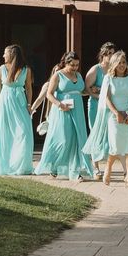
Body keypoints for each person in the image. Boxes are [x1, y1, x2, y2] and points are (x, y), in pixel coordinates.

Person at [83, 51, 128, 189]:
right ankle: (108, 169)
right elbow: (107, 98)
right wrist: (116, 113)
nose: (121, 65)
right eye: (119, 62)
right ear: (114, 64)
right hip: (114, 116)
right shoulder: (109, 78)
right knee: (115, 147)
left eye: (123, 62)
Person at [34, 51, 94, 181]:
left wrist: (91, 91)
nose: (75, 68)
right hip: (62, 111)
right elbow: (49, 94)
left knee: (78, 139)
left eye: (77, 65)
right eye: (72, 65)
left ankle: (75, 170)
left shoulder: (78, 75)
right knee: (64, 139)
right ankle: (54, 166)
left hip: (77, 109)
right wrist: (59, 104)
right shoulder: (58, 75)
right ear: (66, 63)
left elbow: (80, 91)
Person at [0, 44, 34, 176]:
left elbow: (29, 88)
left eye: (5, 53)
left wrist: (29, 105)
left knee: (24, 133)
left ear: (12, 55)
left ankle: (21, 166)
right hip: (5, 102)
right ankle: (6, 166)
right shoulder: (2, 68)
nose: (3, 55)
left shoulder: (26, 69)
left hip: (20, 103)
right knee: (5, 133)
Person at [84, 42, 116, 178]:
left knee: (110, 135)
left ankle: (109, 167)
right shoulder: (95, 70)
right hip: (96, 105)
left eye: (113, 53)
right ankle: (95, 168)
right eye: (110, 54)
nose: (112, 56)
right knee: (95, 134)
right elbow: (87, 89)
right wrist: (100, 95)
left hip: (110, 106)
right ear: (103, 55)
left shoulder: (114, 70)